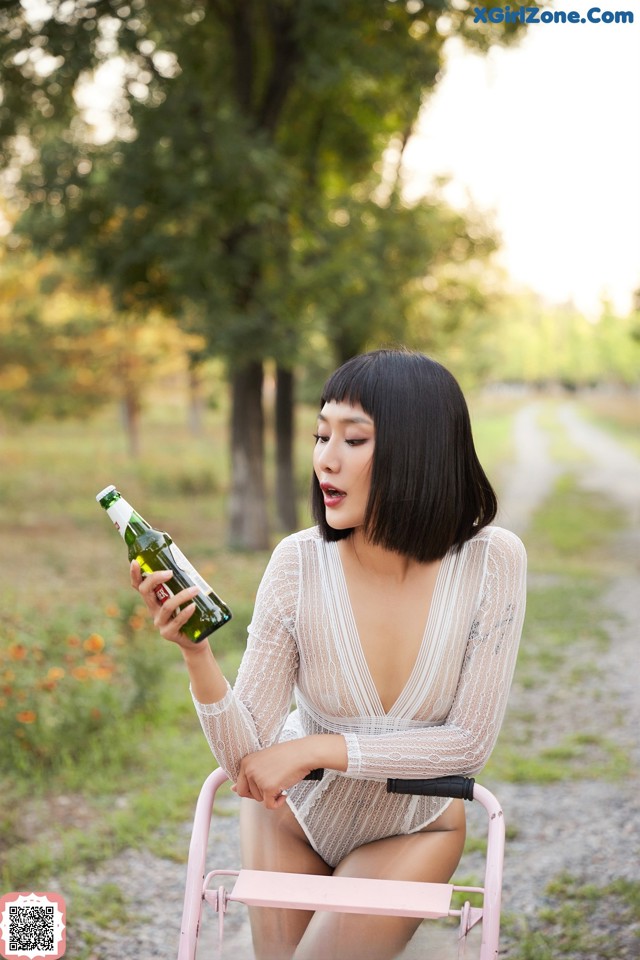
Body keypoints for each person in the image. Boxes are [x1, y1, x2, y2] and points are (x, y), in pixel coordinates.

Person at [132, 347, 527, 960]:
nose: (326, 459)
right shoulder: (296, 562)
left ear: (416, 451)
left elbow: (468, 743)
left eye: (353, 438)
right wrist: (197, 657)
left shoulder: (493, 561)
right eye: (320, 435)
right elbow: (249, 764)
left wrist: (320, 748)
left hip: (414, 828)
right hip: (292, 816)